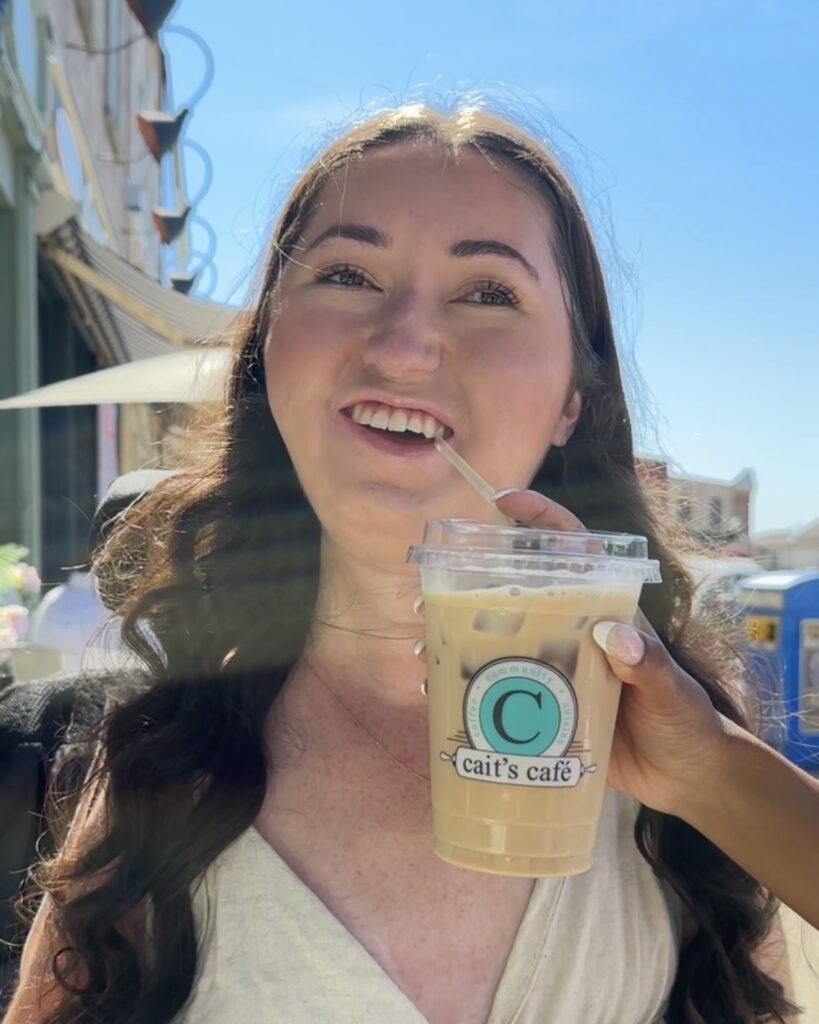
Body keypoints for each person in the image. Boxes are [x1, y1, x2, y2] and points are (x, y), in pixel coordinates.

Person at [3, 103, 803, 1023]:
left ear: (571, 402)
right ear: (269, 355)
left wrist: (713, 777)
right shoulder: (156, 771)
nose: (405, 344)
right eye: (347, 273)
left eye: (489, 292)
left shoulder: (695, 795)